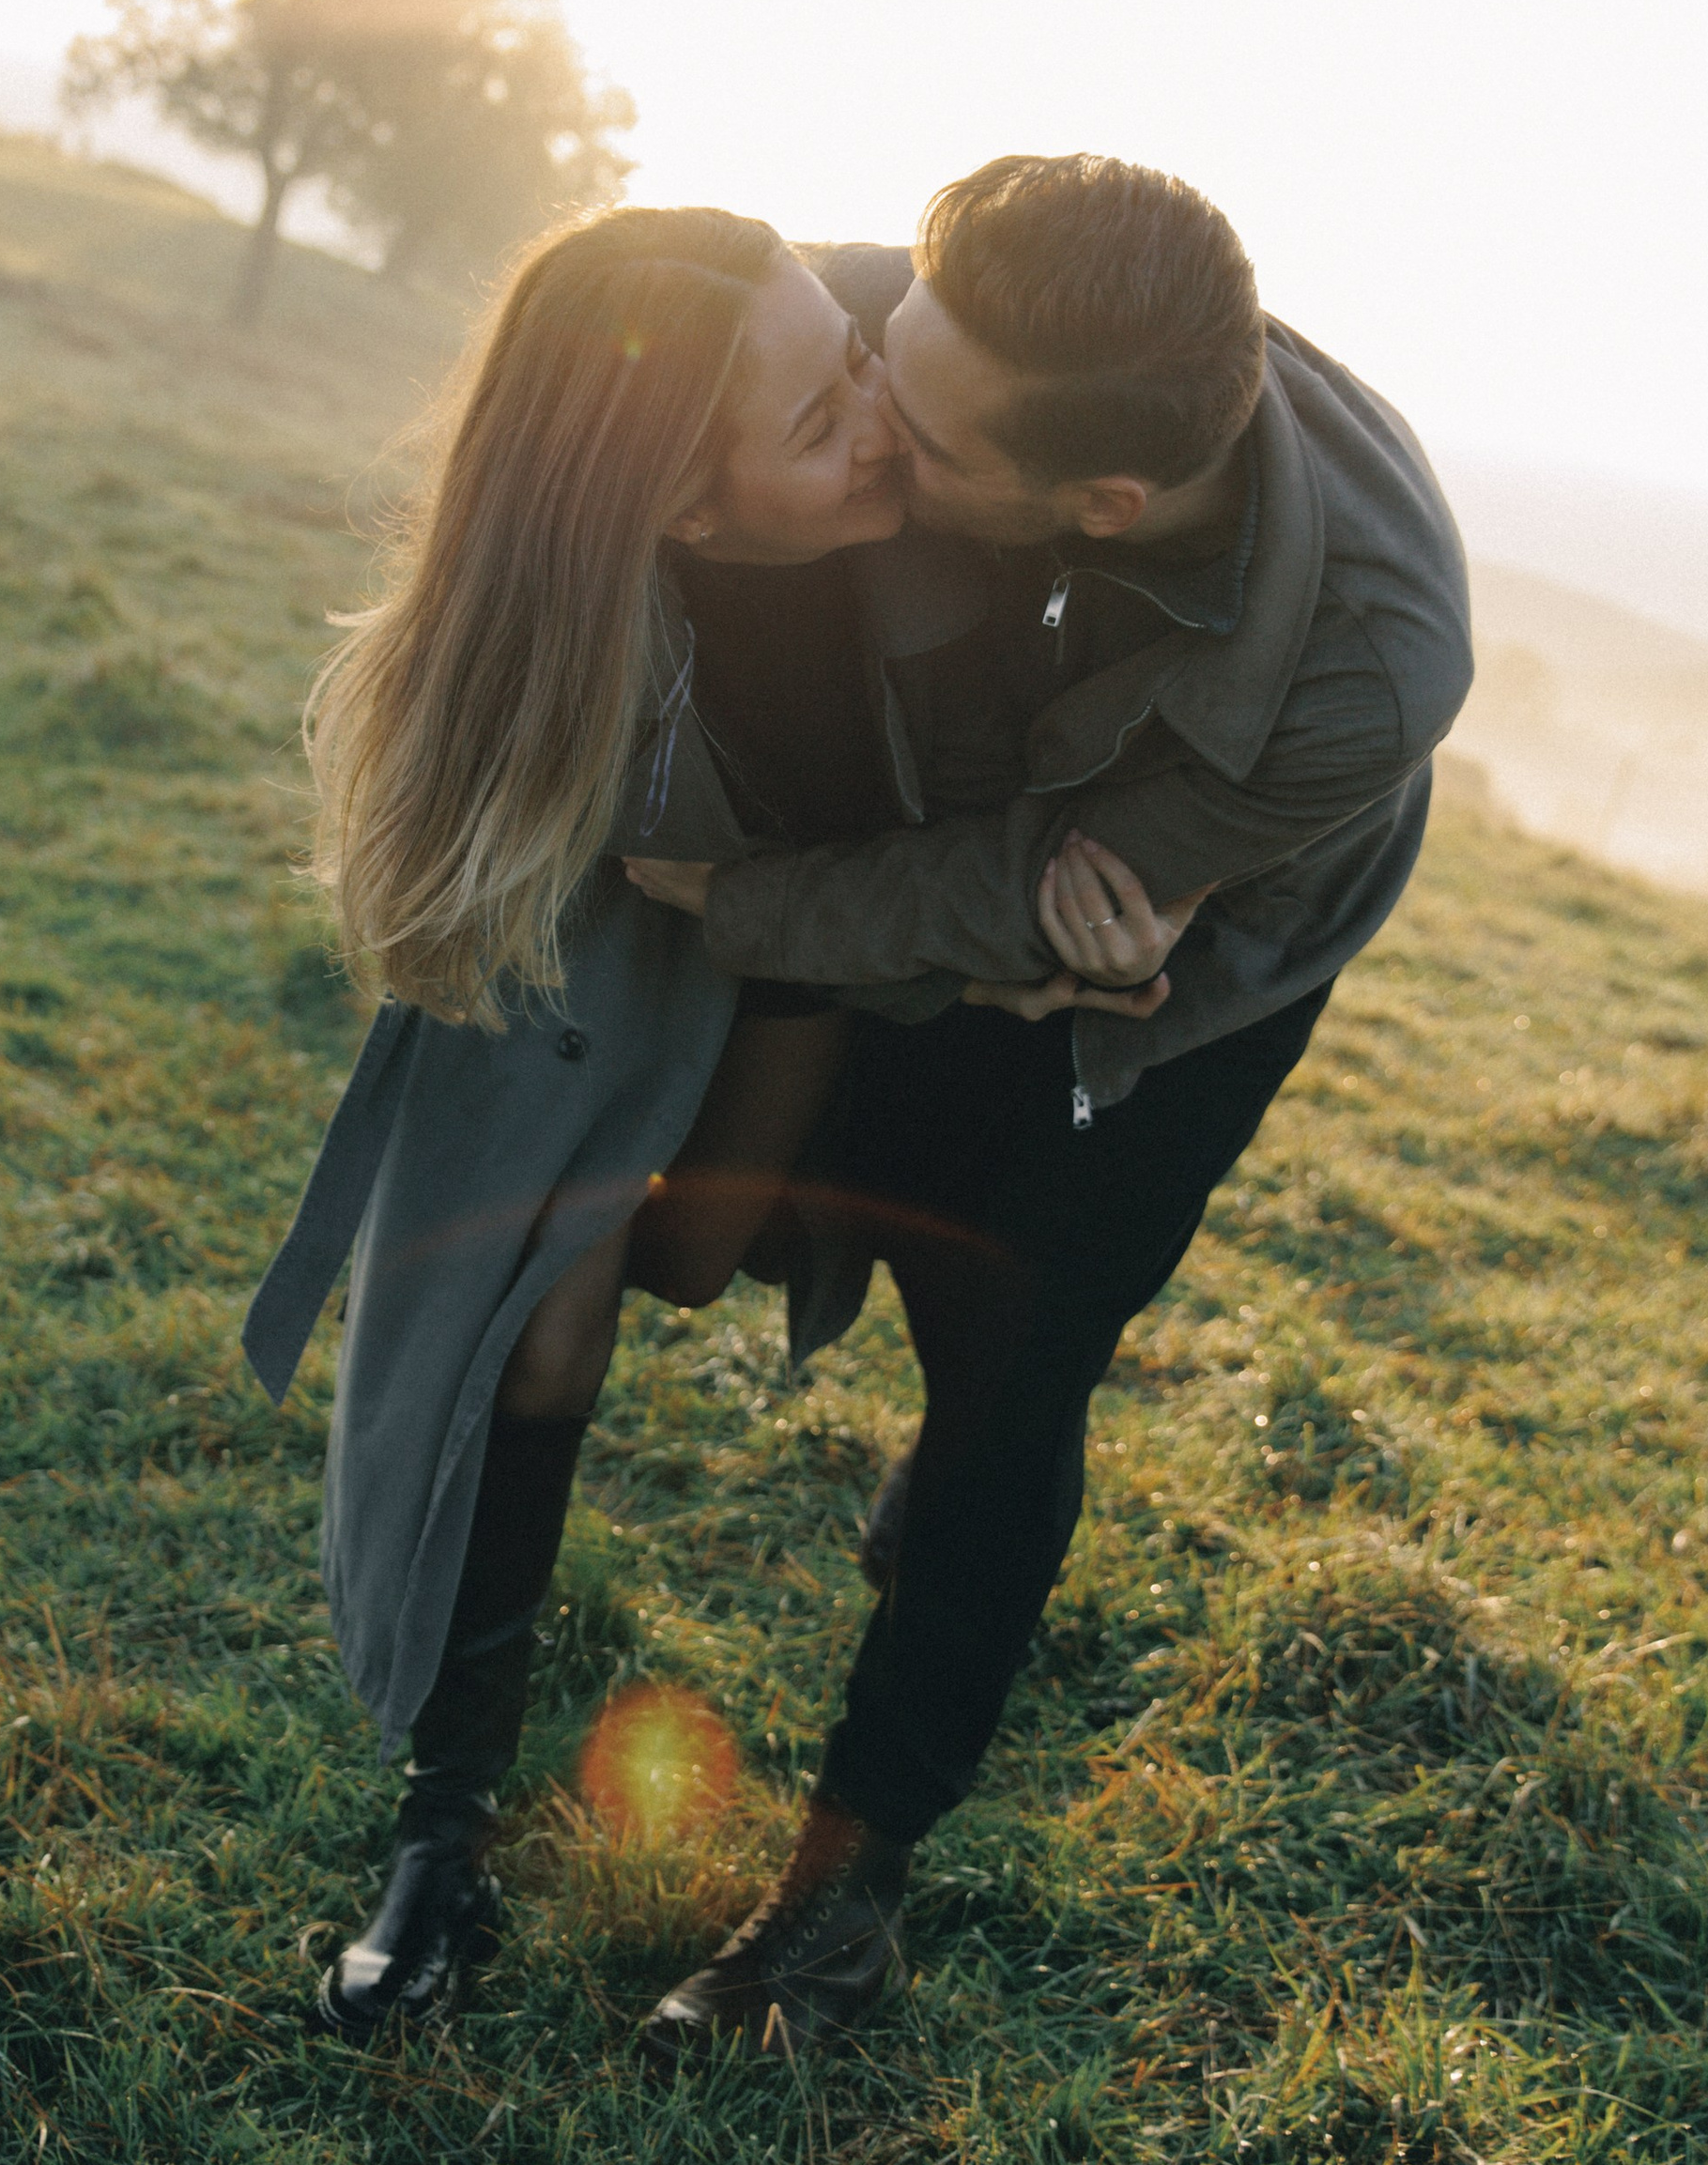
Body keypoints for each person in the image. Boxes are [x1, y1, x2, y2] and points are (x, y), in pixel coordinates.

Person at [241, 202, 1157, 2041]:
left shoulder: (895, 386)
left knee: (785, 1278)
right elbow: (463, 935)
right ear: (679, 508)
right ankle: (443, 1834)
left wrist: (1093, 925)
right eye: (823, 425)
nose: (882, 421)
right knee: (544, 1303)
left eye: (855, 365)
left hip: (861, 951)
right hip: (680, 926)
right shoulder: (562, 646)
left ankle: (852, 1881)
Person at [623, 151, 1472, 2067]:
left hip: (1198, 974)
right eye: (868, 349)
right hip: (978, 829)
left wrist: (724, 903)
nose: (865, 416)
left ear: (1095, 499)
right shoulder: (924, 333)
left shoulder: (1369, 661)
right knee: (861, 1163)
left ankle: (838, 1907)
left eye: (904, 421)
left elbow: (1052, 910)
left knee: (1020, 1357)